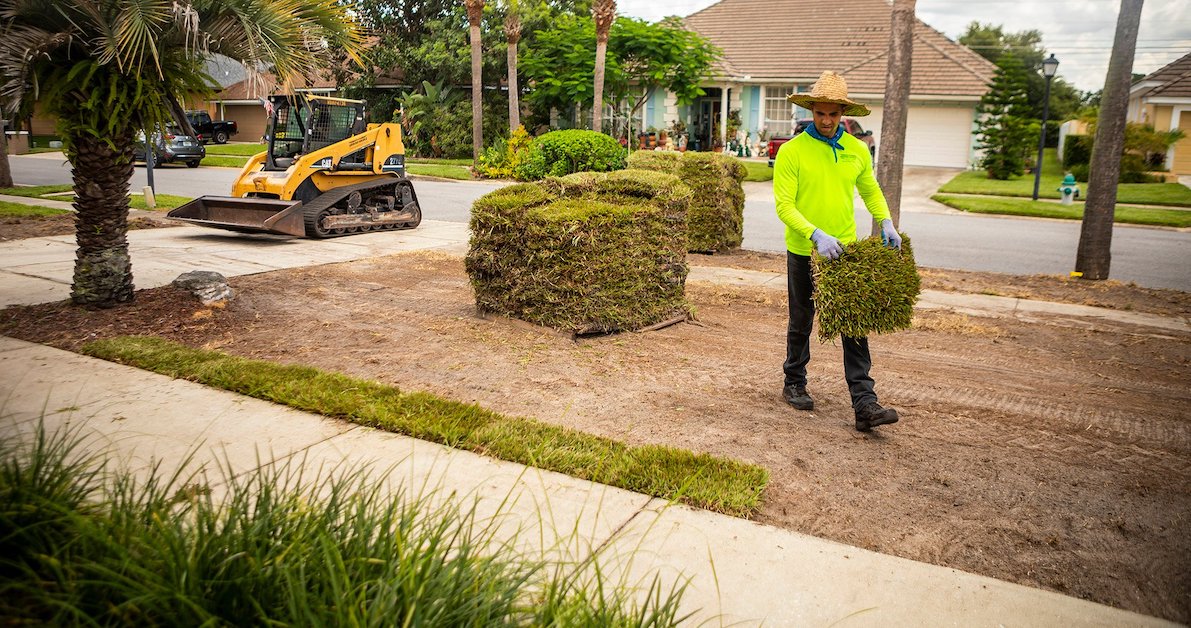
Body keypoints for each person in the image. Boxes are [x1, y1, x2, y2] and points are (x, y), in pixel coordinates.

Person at [773, 70, 903, 432]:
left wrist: (886, 221)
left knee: (854, 322)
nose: (827, 121)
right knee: (802, 320)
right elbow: (784, 206)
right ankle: (794, 382)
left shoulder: (857, 150)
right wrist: (815, 234)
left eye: (833, 114)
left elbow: (870, 189)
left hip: (843, 251)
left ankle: (865, 404)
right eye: (820, 113)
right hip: (804, 249)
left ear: (843, 113)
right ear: (811, 111)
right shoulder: (792, 152)